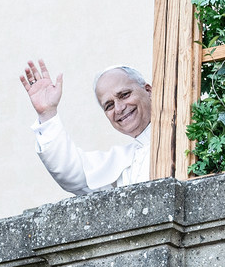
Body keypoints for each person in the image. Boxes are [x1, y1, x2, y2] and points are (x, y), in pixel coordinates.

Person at [20, 59, 152, 195]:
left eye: (124, 95)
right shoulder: (123, 159)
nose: (119, 108)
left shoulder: (175, 136)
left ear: (148, 91)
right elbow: (71, 173)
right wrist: (47, 113)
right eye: (109, 105)